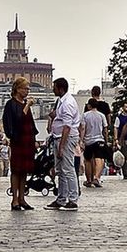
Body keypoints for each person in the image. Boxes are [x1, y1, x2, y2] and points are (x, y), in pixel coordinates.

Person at [1, 78, 36, 211]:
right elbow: (16, 121)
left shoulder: (24, 104)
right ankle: (14, 199)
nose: (27, 91)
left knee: (24, 171)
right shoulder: (11, 104)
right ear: (18, 89)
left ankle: (22, 198)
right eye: (25, 88)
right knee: (16, 170)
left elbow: (30, 123)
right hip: (17, 140)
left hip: (27, 140)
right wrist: (27, 106)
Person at [47, 78, 80, 211]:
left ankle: (73, 199)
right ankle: (61, 198)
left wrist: (61, 146)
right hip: (58, 137)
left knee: (68, 168)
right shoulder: (61, 101)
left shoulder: (67, 103)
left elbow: (67, 126)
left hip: (65, 138)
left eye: (54, 87)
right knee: (60, 170)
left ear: (60, 89)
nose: (53, 89)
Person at [82, 91, 109, 188]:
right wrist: (106, 140)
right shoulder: (101, 115)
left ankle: (89, 180)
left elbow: (83, 128)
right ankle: (97, 178)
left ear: (89, 106)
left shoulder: (85, 115)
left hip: (88, 140)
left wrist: (81, 140)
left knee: (88, 160)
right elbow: (105, 129)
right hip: (99, 140)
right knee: (100, 159)